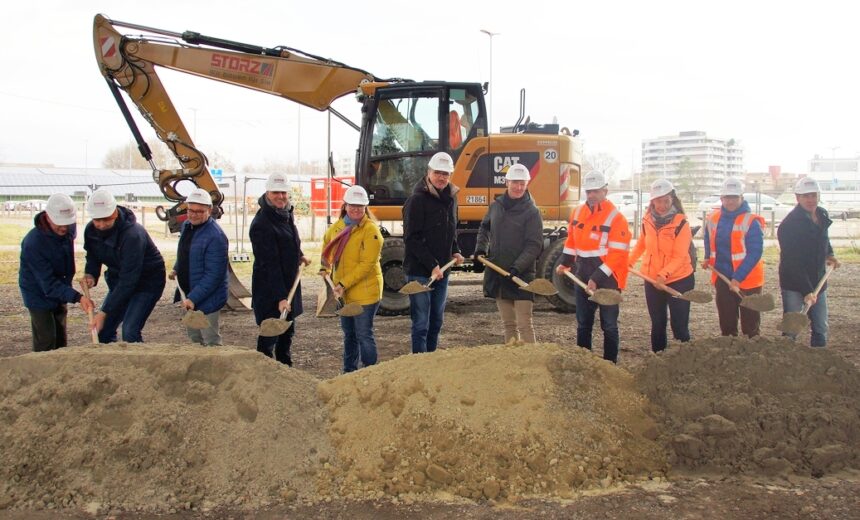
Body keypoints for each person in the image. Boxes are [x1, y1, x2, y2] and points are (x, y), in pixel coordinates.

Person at [555, 171, 630, 363]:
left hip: (608, 278)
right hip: (583, 274)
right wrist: (565, 262)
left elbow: (617, 255)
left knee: (609, 325)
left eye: (596, 191)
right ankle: (584, 362)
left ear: (605, 190)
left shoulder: (616, 218)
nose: (591, 195)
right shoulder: (578, 212)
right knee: (583, 324)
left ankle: (610, 364)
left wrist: (596, 278)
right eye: (588, 191)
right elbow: (571, 240)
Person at [83, 189, 166, 343]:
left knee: (129, 331)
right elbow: (93, 255)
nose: (101, 225)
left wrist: (103, 312)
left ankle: (138, 366)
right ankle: (110, 364)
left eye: (106, 219)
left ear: (114, 213)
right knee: (103, 331)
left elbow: (129, 279)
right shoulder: (90, 230)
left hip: (147, 283)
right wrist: (91, 274)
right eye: (97, 220)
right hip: (120, 281)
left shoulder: (132, 235)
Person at [402, 151, 465, 353]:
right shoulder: (416, 200)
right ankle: (420, 363)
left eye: (446, 174)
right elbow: (412, 237)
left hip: (442, 272)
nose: (442, 177)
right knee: (421, 322)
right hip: (421, 272)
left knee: (436, 321)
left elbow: (450, 230)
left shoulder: (451, 199)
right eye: (438, 172)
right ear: (429, 172)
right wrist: (432, 265)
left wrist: (455, 251)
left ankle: (431, 360)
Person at [473, 163, 543, 344]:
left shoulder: (532, 212)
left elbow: (534, 245)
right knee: (509, 324)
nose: (519, 187)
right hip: (499, 272)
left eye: (523, 183)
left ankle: (531, 364)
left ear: (527, 184)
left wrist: (517, 267)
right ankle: (513, 364)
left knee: (524, 324)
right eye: (515, 183)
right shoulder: (496, 206)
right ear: (507, 182)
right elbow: (484, 228)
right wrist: (480, 249)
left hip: (521, 275)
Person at [19, 193, 94, 351]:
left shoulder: (67, 228)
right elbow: (49, 285)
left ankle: (60, 372)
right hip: (38, 292)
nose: (64, 228)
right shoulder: (33, 243)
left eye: (67, 223)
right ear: (47, 217)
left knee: (60, 338)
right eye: (59, 223)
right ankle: (43, 372)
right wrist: (78, 297)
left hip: (60, 286)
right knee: (46, 338)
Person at [321, 186, 384, 372]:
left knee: (363, 334)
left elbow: (366, 264)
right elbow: (327, 246)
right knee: (349, 335)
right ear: (345, 205)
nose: (356, 209)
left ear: (366, 207)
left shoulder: (371, 231)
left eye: (360, 206)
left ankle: (369, 373)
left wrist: (342, 284)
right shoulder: (338, 226)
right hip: (344, 294)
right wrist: (324, 267)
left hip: (365, 293)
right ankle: (349, 373)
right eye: (352, 205)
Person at [250, 172, 310, 365]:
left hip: (288, 285)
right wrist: (280, 297)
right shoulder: (262, 223)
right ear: (268, 193)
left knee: (287, 335)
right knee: (269, 335)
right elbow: (269, 264)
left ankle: (286, 373)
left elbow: (288, 240)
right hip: (271, 291)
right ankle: (264, 374)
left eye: (284, 193)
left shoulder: (285, 214)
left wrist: (299, 254)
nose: (281, 197)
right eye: (276, 192)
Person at [628, 179, 694, 352]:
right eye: (658, 201)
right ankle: (658, 360)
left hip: (679, 279)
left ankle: (685, 359)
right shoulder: (647, 220)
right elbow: (642, 244)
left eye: (666, 200)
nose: (662, 205)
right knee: (657, 323)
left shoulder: (681, 224)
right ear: (652, 201)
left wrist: (663, 275)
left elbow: (679, 256)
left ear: (672, 198)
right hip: (652, 279)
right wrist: (629, 261)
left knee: (679, 326)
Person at [777, 177, 840, 347]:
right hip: (794, 283)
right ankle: (785, 359)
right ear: (797, 198)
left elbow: (823, 239)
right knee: (792, 327)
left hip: (819, 280)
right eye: (806, 196)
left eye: (813, 195)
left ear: (818, 195)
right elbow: (792, 262)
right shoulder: (789, 225)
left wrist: (830, 254)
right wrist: (806, 291)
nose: (810, 199)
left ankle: (818, 359)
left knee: (820, 326)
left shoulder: (821, 214)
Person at [701, 177, 764, 337]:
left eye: (734, 197)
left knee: (750, 325)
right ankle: (730, 354)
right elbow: (708, 237)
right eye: (727, 197)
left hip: (748, 281)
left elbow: (755, 252)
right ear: (722, 198)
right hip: (722, 276)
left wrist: (738, 277)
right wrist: (707, 257)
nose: (730, 201)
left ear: (741, 198)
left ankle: (751, 356)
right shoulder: (713, 218)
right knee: (727, 322)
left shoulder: (750, 222)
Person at [168, 188, 229, 346]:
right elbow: (185, 252)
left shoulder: (216, 237)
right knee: (195, 338)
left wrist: (193, 298)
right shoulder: (187, 225)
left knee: (210, 340)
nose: (193, 214)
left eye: (199, 211)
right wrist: (177, 267)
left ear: (209, 210)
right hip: (190, 292)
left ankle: (214, 369)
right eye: (190, 210)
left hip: (208, 297)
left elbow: (214, 275)